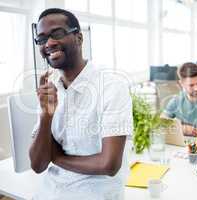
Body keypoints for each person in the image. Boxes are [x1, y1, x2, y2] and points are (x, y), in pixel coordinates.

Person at [29, 8, 133, 200]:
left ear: (79, 38)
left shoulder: (111, 87)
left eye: (57, 34)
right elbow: (37, 164)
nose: (49, 43)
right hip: (49, 193)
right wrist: (46, 116)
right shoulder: (50, 91)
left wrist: (57, 157)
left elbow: (108, 165)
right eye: (42, 39)